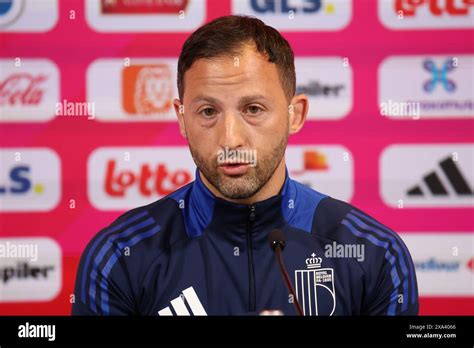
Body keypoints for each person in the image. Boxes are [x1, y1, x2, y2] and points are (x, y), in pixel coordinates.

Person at [72, 15, 418, 316]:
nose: (230, 139)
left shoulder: (375, 253)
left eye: (253, 109)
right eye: (208, 111)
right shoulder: (119, 255)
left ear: (294, 114)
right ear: (181, 118)